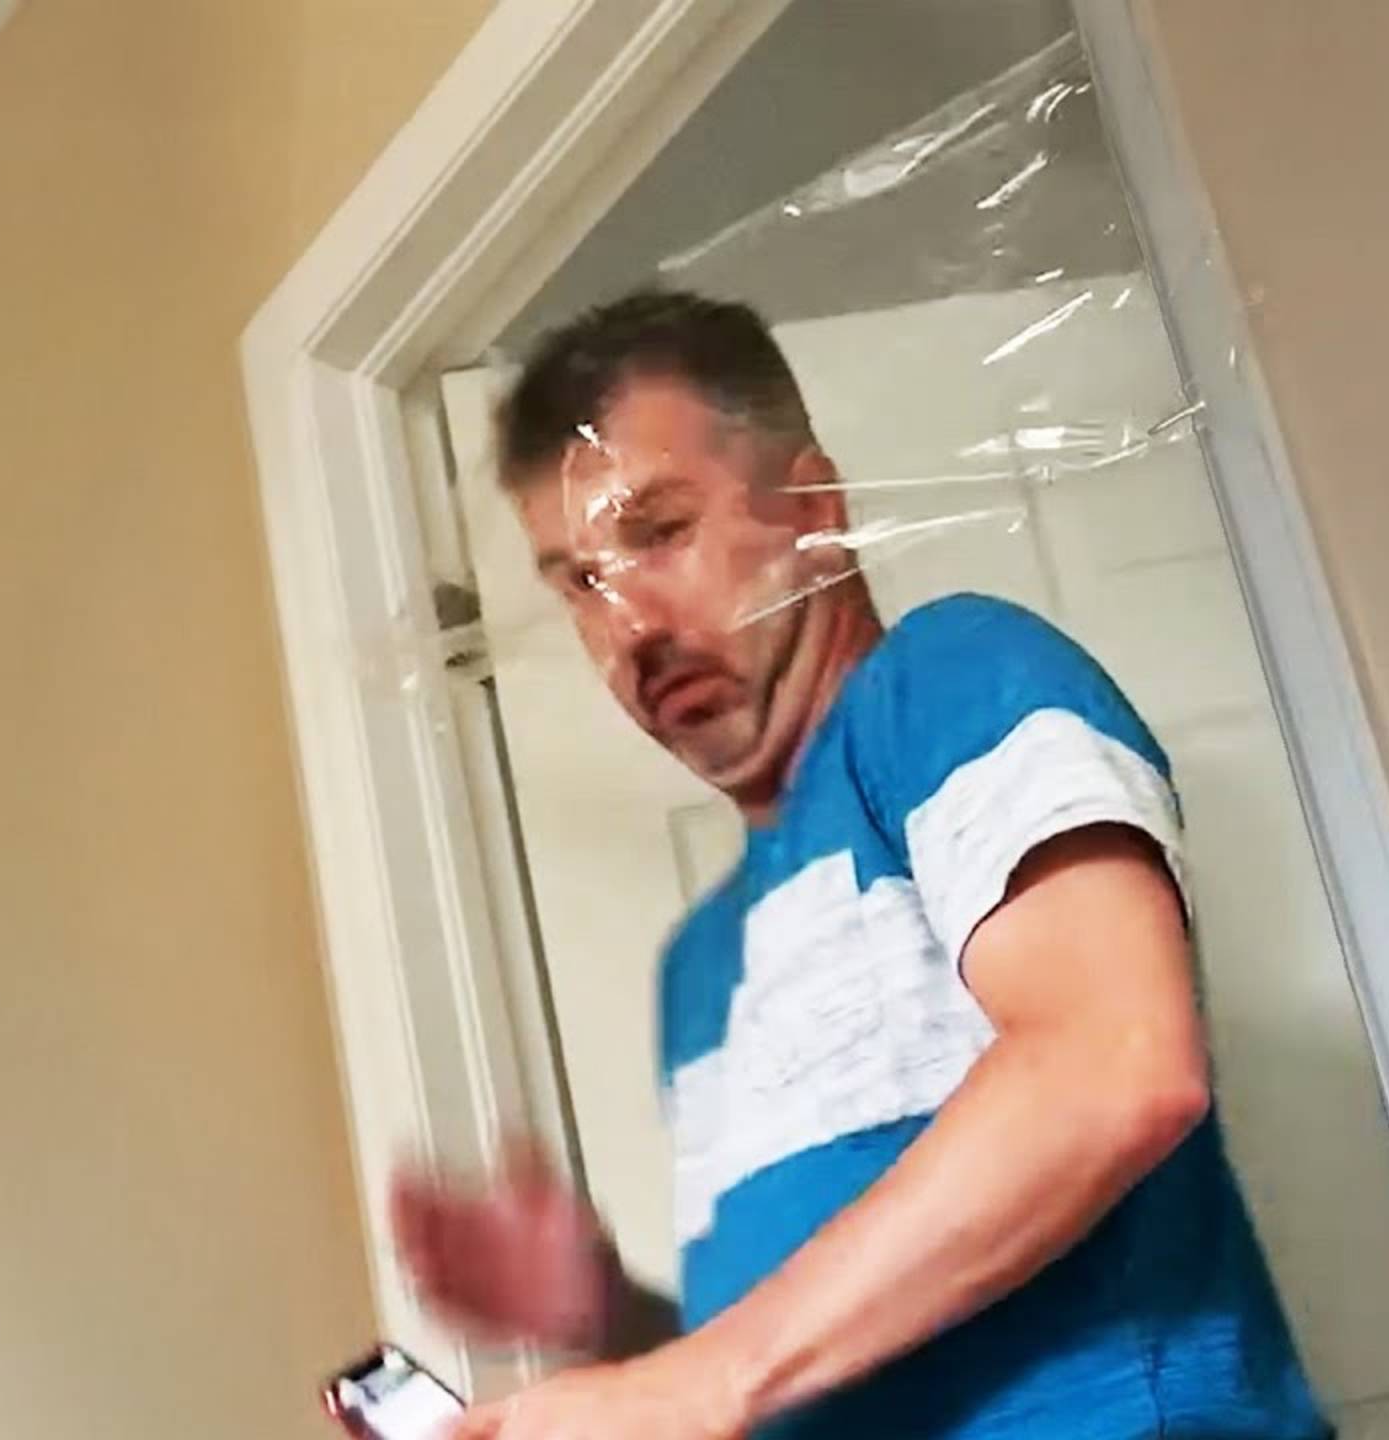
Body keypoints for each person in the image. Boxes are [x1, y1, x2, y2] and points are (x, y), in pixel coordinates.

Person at [392, 290, 1328, 1440]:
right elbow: (798, 1360)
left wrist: (696, 1381)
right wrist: (609, 1319)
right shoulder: (698, 968)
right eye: (580, 582)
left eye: (659, 532)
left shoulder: (944, 682)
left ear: (813, 508)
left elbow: (1116, 1060)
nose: (630, 625)